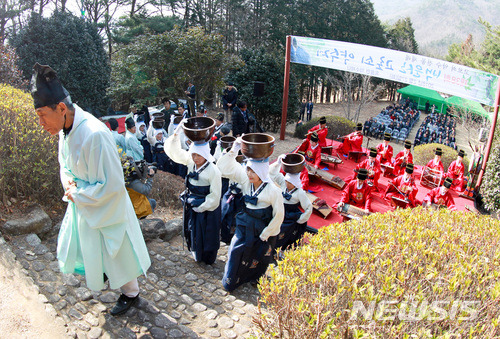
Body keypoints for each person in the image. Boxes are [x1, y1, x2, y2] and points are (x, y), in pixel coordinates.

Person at [31, 63, 150, 316]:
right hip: (84, 202)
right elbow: (64, 164)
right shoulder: (66, 129)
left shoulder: (94, 134)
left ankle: (131, 294)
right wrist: (69, 185)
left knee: (117, 253)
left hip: (106, 206)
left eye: (42, 115)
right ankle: (106, 276)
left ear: (61, 108)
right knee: (93, 250)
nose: (41, 123)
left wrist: (78, 194)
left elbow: (113, 185)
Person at [217, 140, 284, 291]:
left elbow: (279, 215)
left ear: (261, 172)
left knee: (257, 257)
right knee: (235, 251)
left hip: (262, 228)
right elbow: (223, 167)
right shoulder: (245, 181)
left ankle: (252, 278)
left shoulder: (274, 190)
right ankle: (231, 281)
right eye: (248, 170)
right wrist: (234, 150)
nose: (249, 174)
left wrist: (266, 234)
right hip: (244, 224)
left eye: (253, 171)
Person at [165, 124, 222, 265]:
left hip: (207, 208)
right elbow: (176, 154)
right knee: (193, 230)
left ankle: (208, 258)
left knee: (207, 234)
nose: (195, 158)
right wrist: (176, 135)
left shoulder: (214, 171)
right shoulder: (191, 162)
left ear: (205, 155)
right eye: (193, 154)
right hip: (193, 203)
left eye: (198, 155)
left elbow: (215, 196)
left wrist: (203, 206)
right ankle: (196, 253)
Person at [269, 156, 313, 252]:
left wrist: (301, 219)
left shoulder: (300, 192)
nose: (287, 183)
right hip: (280, 210)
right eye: (286, 181)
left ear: (295, 183)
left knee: (284, 232)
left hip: (290, 215)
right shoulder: (284, 184)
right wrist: (278, 163)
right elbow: (273, 174)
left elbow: (309, 207)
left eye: (289, 182)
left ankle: (282, 249)